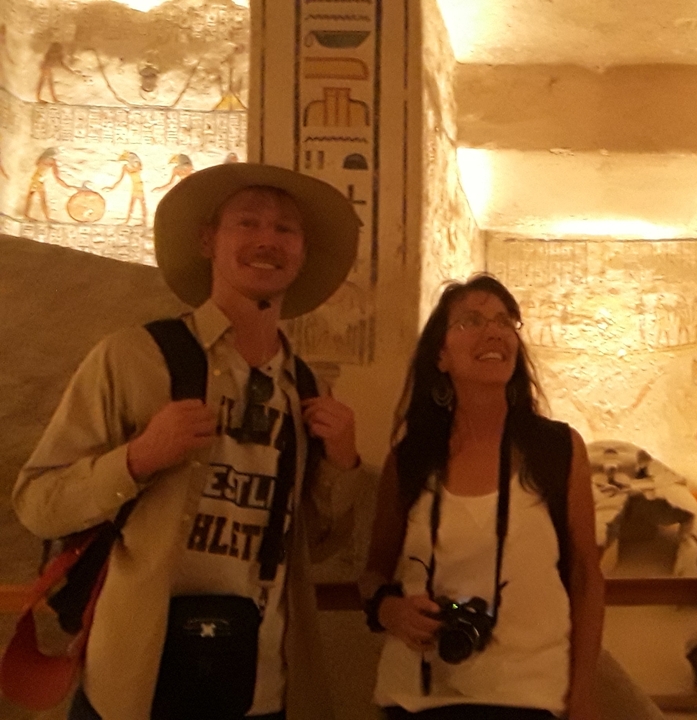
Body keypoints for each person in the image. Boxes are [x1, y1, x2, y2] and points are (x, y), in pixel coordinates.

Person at [13, 163, 367, 720]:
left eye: (286, 229)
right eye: (247, 222)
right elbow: (38, 503)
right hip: (137, 680)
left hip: (261, 682)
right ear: (209, 240)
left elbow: (314, 545)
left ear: (301, 252)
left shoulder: (307, 389)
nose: (267, 240)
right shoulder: (133, 357)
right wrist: (137, 458)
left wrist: (343, 463)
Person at [361, 274, 605, 720]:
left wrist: (583, 694)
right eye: (471, 321)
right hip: (417, 696)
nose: (494, 331)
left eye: (504, 321)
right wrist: (389, 609)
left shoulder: (558, 450)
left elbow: (587, 576)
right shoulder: (411, 458)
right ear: (441, 355)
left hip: (529, 696)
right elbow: (374, 571)